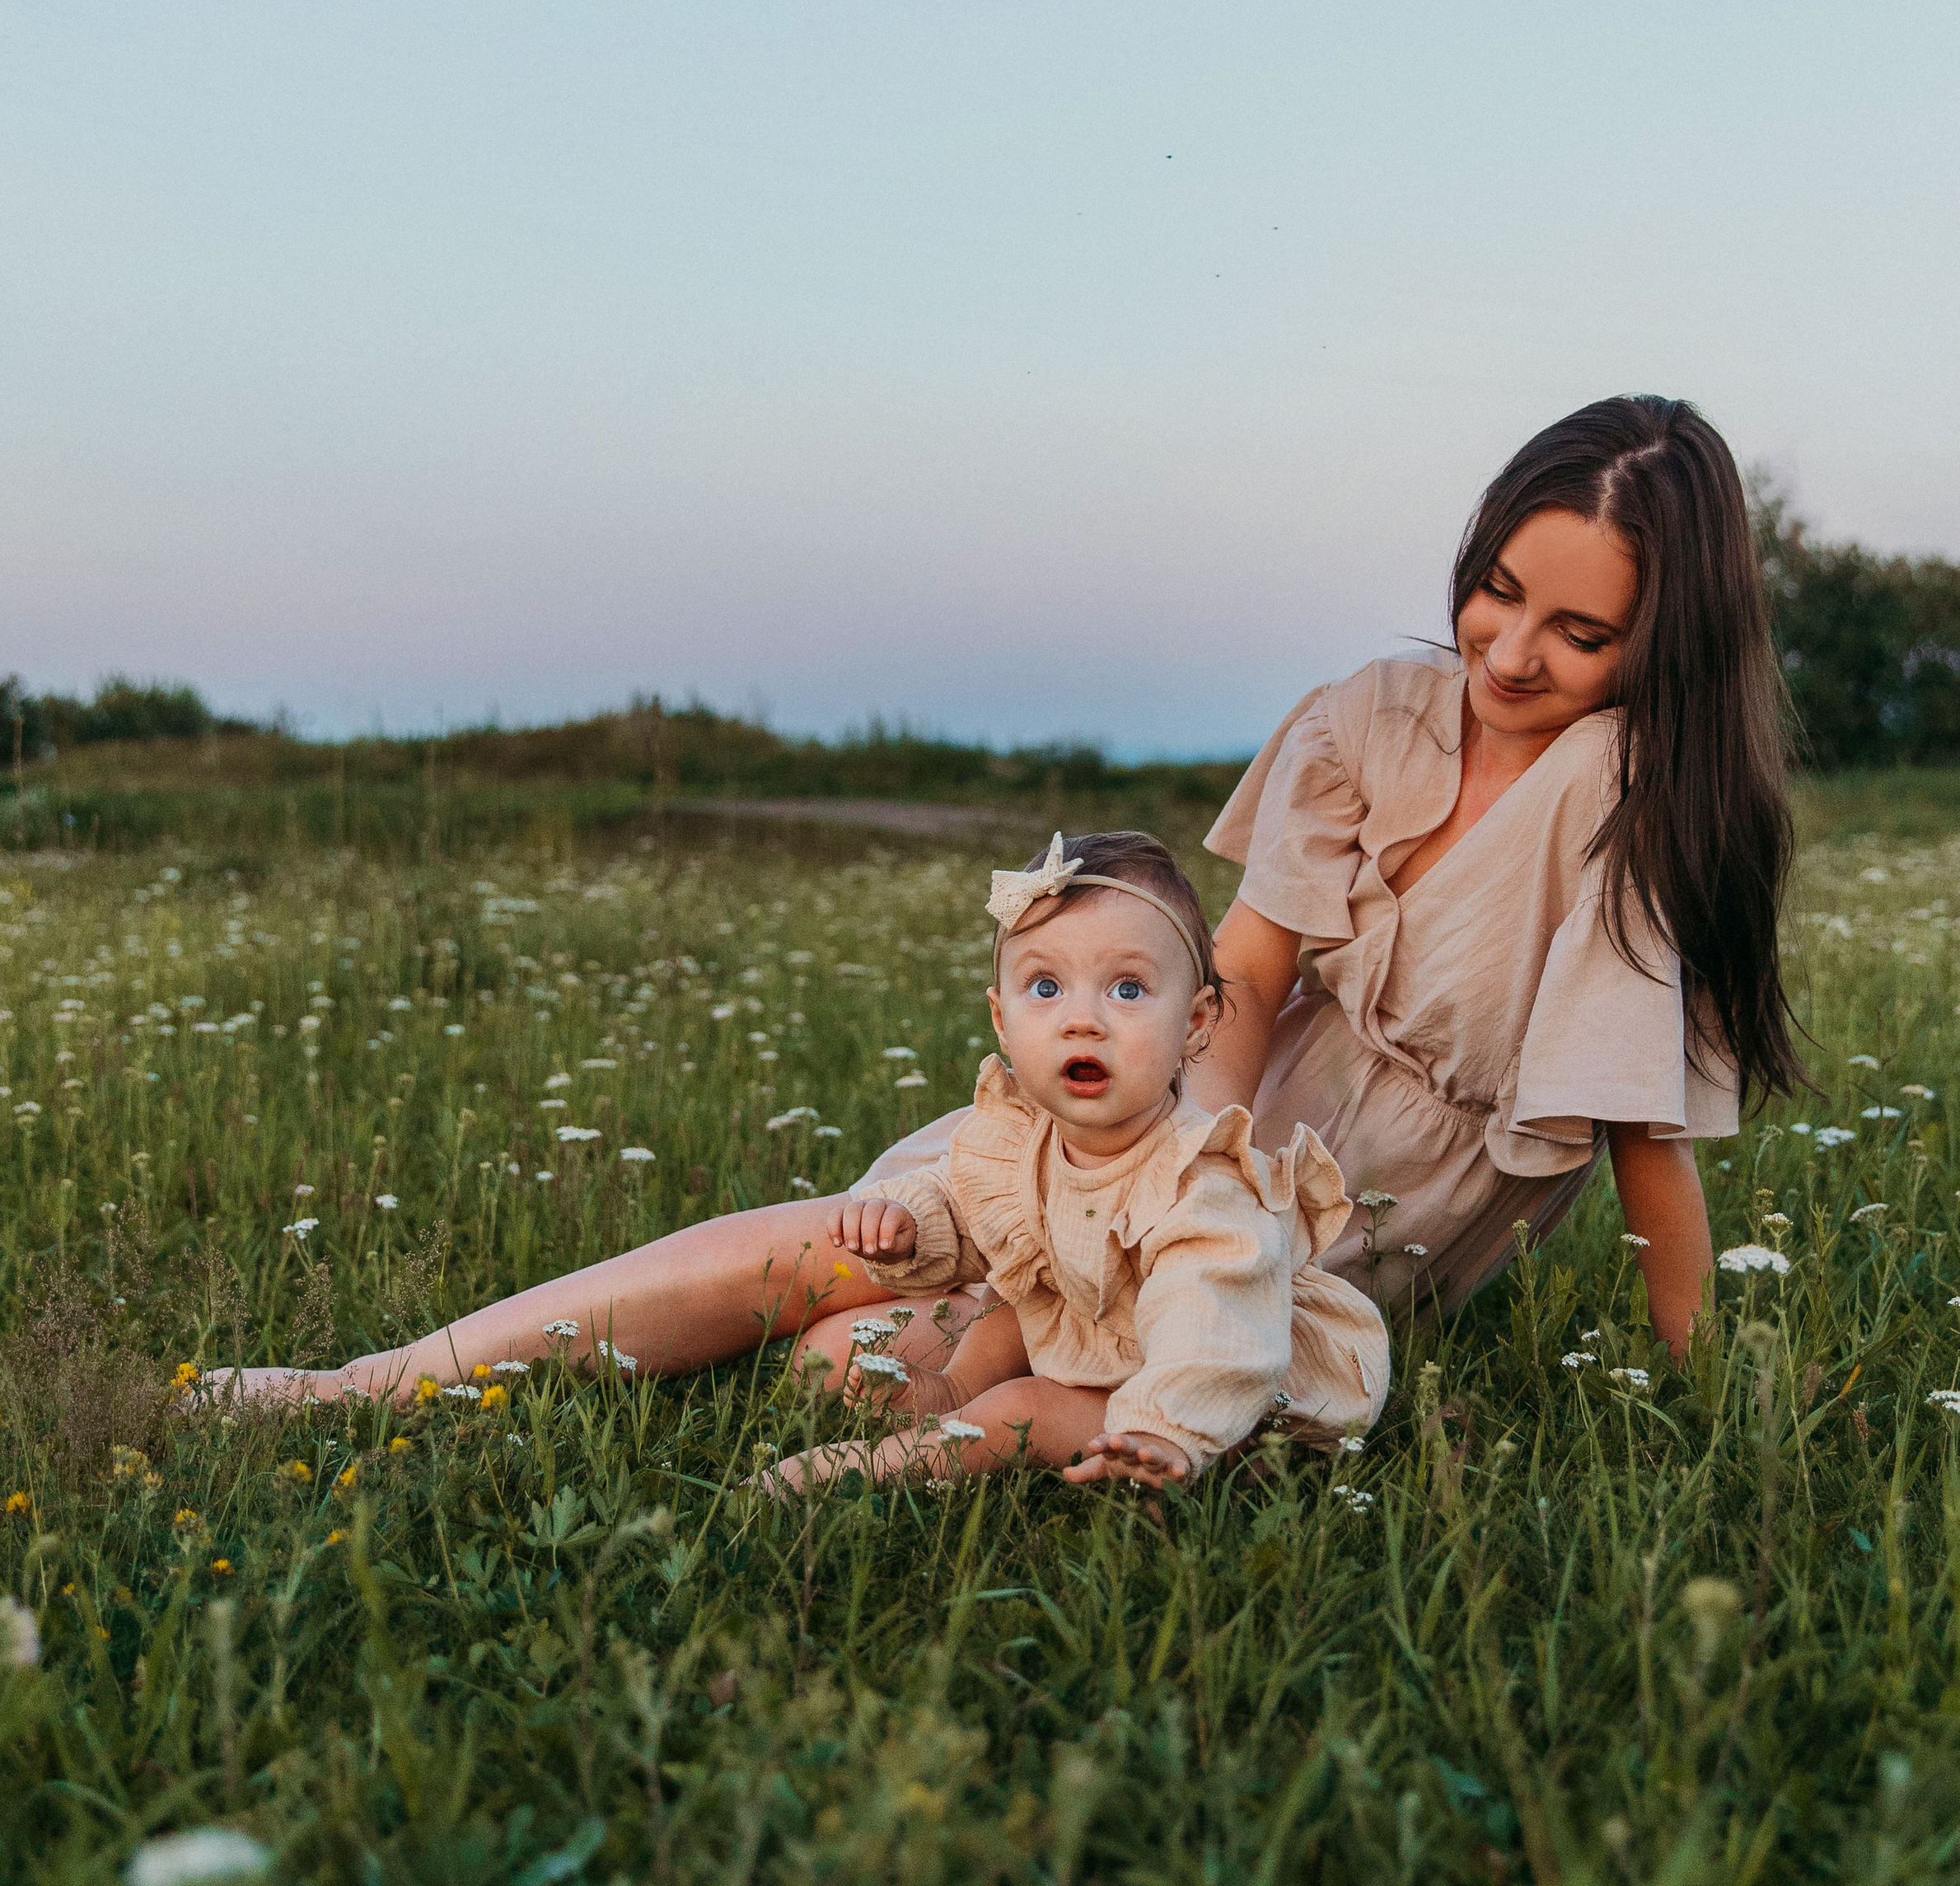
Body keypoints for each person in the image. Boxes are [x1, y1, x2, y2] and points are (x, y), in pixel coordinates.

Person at [220, 395, 1799, 1477]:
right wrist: (1175, 1147)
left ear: (1667, 645)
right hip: (1215, 1109)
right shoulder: (1376, 717)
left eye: (1578, 633)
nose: (1510, 652)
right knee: (843, 1254)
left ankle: (988, 1363)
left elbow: (1639, 1140)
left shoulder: (1630, 804)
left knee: (869, 1371)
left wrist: (1691, 1396)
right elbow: (1246, 974)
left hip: (1362, 1204)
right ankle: (370, 1389)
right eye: (1498, 593)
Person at [766, 831, 1389, 1494]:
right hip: (1116, 1345)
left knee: (1020, 1412)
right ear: (1002, 1021)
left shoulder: (1202, 1182)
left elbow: (1212, 1324)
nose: (1082, 1021)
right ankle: (954, 1392)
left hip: (1231, 1395)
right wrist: (907, 1221)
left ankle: (842, 1474)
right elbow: (964, 1196)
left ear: (1197, 1023)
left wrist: (1160, 1429)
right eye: (1046, 987)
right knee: (1017, 1284)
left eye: (1127, 990)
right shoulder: (1022, 1140)